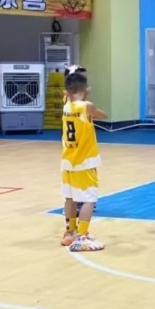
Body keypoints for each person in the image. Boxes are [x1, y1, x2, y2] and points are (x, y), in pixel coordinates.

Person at [60, 71, 107, 252]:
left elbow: (72, 98)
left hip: (67, 159)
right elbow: (103, 115)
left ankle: (70, 232)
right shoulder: (87, 106)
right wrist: (88, 98)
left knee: (70, 197)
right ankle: (81, 237)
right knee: (89, 199)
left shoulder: (66, 105)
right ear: (85, 89)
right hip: (84, 160)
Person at [62, 64, 96, 217]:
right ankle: (78, 209)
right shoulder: (74, 102)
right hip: (78, 150)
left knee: (73, 187)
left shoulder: (72, 101)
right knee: (83, 189)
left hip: (74, 147)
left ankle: (71, 225)